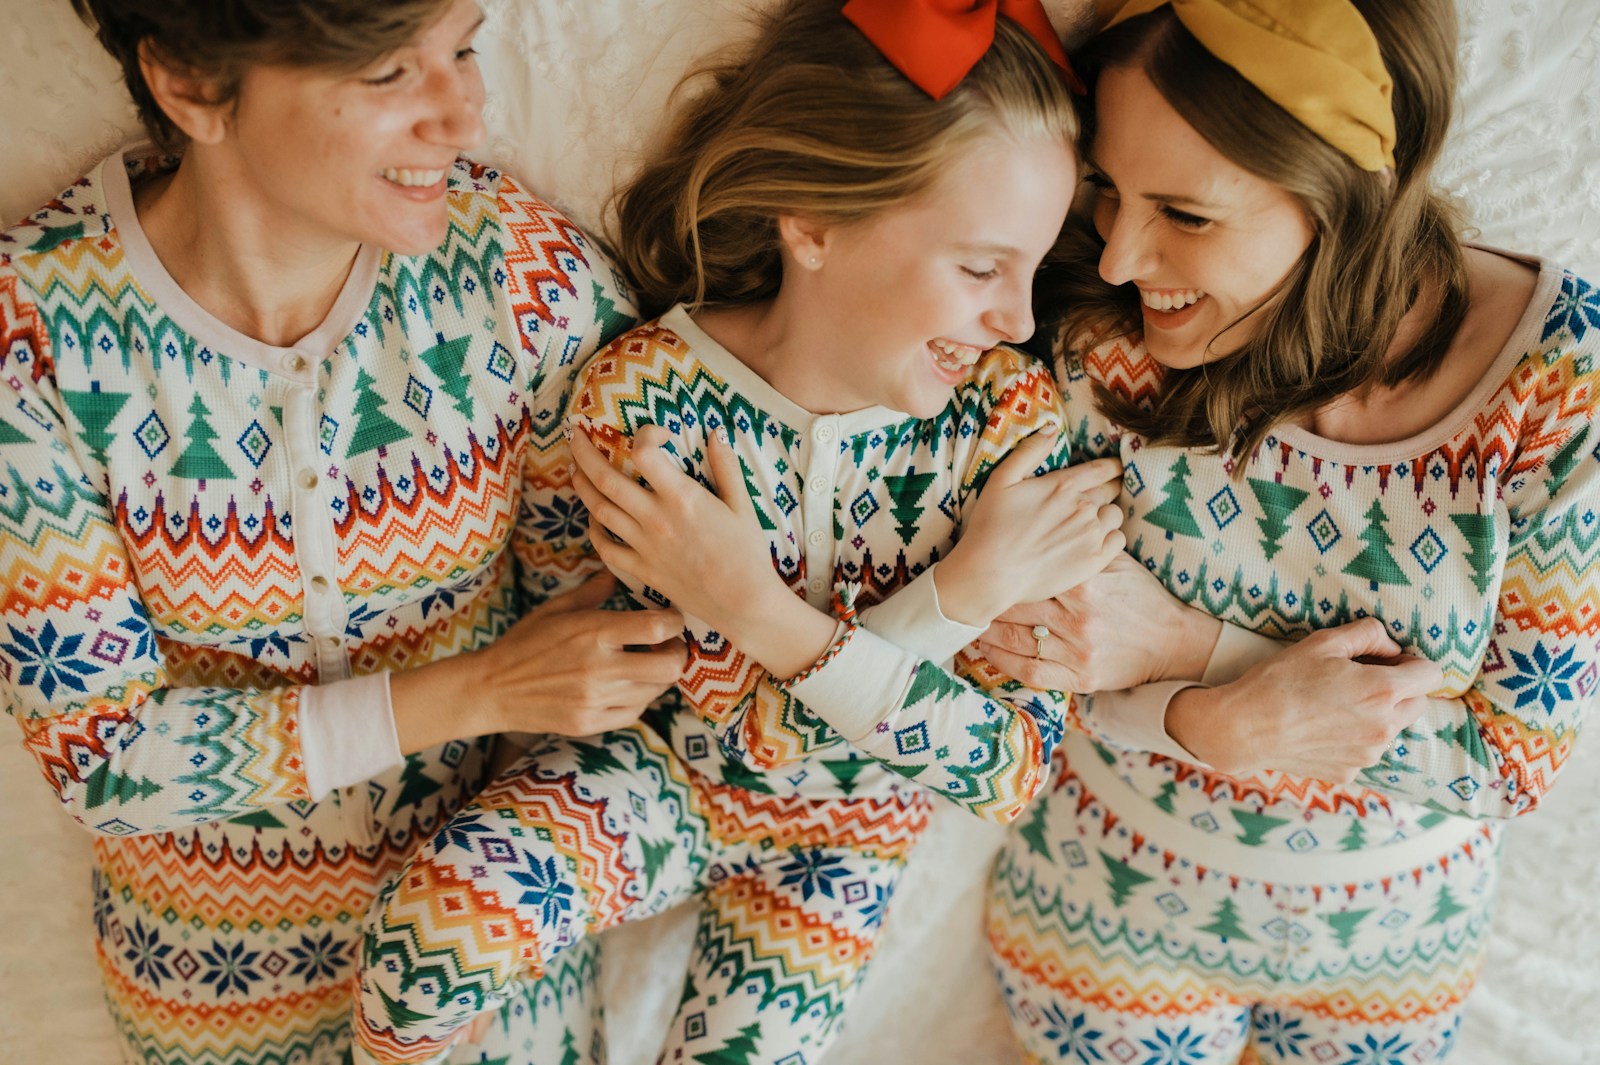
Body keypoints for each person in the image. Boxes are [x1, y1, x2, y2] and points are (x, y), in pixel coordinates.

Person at [348, 1, 1133, 1061]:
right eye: (980, 267)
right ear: (813, 223)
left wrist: (757, 606)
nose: (1020, 322)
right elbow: (750, 745)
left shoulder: (1010, 424)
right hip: (658, 778)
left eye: (1033, 268)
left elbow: (1005, 773)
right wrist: (963, 592)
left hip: (843, 849)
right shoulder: (651, 399)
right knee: (427, 948)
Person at [0, 0, 687, 1061]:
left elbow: (598, 606)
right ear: (191, 85)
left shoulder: (516, 276)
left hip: (491, 963)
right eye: (386, 74)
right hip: (211, 991)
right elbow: (109, 760)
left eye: (460, 51)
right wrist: (486, 687)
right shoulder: (31, 343)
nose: (463, 114)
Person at [983, 1, 1600, 1061]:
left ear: (1343, 199)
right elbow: (1021, 662)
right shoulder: (1098, 337)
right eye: (1108, 195)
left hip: (1395, 950)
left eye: (1186, 212)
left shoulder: (1558, 379)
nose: (1124, 257)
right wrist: (1203, 725)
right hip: (1104, 913)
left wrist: (1190, 656)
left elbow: (1504, 764)